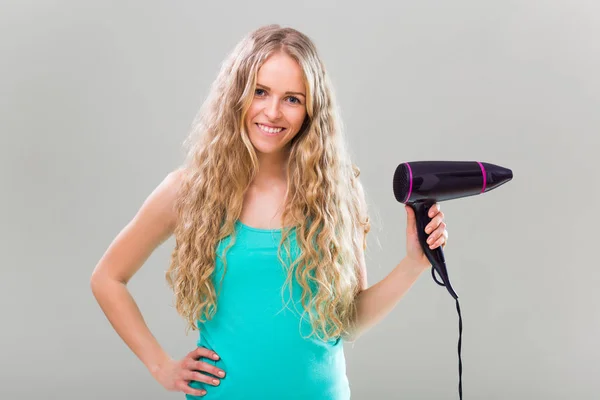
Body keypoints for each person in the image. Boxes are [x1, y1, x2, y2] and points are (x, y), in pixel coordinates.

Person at [90, 24, 448, 399]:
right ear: (237, 95)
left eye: (292, 99)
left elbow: (347, 321)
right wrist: (161, 366)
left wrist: (414, 264)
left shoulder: (337, 192)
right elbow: (108, 278)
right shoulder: (188, 190)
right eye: (260, 92)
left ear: (312, 109)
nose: (272, 112)